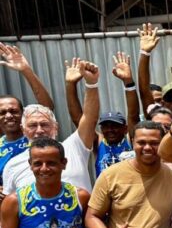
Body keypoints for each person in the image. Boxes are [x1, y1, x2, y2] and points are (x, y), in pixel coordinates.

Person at [2, 59, 99, 195]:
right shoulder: (12, 166)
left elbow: (89, 118)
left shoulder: (74, 147)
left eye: (45, 124)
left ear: (56, 127)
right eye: (32, 125)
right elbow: (10, 208)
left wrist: (91, 84)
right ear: (23, 130)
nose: (39, 130)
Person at [0, 43, 54, 191]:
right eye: (3, 112)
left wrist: (26, 70)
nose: (9, 116)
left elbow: (47, 109)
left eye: (13, 111)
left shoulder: (36, 134)